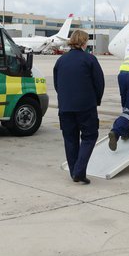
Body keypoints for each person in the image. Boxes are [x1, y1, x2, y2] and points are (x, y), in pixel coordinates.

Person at [53, 30, 105, 185]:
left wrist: (65, 98)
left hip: (65, 106)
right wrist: (96, 100)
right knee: (89, 136)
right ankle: (79, 171)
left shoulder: (61, 60)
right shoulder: (90, 59)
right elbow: (99, 83)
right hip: (85, 106)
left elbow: (57, 84)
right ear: (84, 42)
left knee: (70, 139)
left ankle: (74, 171)